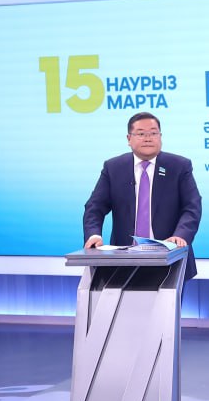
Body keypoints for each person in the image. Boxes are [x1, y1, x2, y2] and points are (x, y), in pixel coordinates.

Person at [83, 111, 202, 280]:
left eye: (153, 133)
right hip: (123, 262)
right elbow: (95, 207)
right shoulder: (114, 167)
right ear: (128, 139)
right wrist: (94, 235)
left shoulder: (179, 166)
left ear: (160, 137)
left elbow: (192, 206)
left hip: (171, 260)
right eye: (141, 134)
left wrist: (180, 235)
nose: (148, 138)